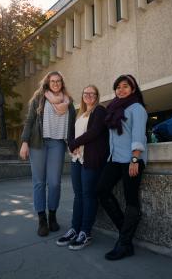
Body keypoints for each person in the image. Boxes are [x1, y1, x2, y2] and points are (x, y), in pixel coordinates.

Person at [97, 74, 148, 261]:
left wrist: (135, 159)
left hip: (130, 159)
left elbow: (138, 134)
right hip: (114, 158)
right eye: (118, 87)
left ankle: (124, 244)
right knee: (101, 190)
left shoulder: (136, 108)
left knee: (131, 200)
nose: (121, 89)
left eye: (125, 86)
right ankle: (124, 235)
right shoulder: (113, 108)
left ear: (133, 89)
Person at [19, 71, 76, 237]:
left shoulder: (68, 101)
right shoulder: (40, 97)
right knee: (39, 182)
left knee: (55, 183)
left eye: (59, 81)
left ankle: (52, 215)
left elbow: (72, 125)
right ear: (48, 83)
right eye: (53, 81)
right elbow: (29, 120)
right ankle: (42, 219)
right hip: (38, 143)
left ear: (62, 83)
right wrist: (24, 142)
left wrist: (73, 144)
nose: (56, 84)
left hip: (57, 143)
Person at [56, 85, 109, 250]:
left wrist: (75, 143)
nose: (89, 96)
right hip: (76, 159)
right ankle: (74, 228)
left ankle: (86, 232)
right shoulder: (80, 114)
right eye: (86, 93)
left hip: (91, 159)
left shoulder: (99, 111)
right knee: (78, 195)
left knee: (88, 195)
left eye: (92, 93)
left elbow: (95, 132)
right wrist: (72, 145)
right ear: (82, 96)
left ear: (97, 96)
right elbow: (71, 134)